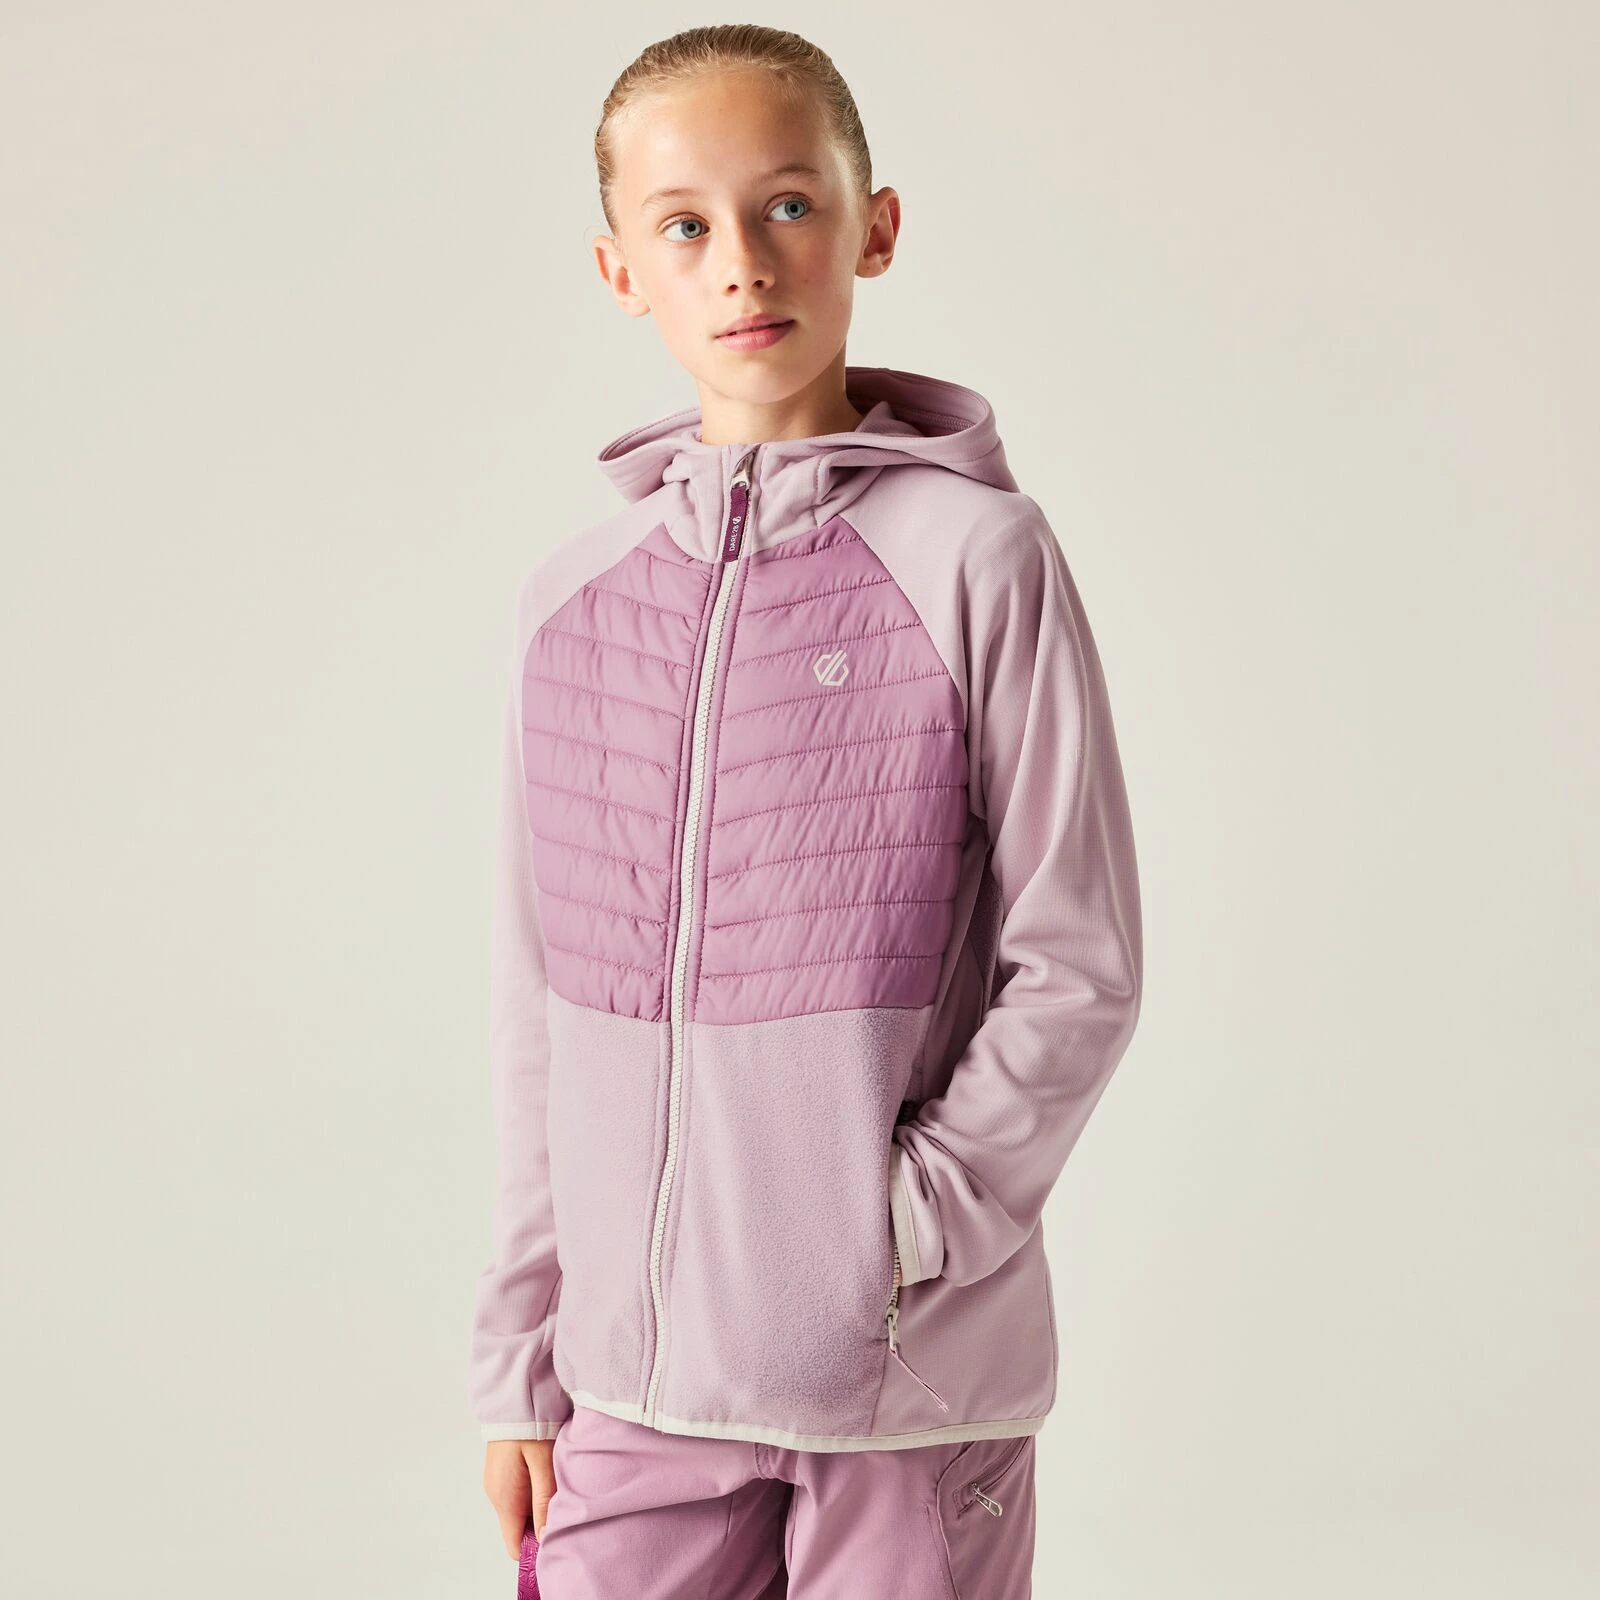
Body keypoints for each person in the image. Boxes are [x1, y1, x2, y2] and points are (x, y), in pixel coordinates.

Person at [469, 23, 1144, 1599]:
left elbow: (1080, 962)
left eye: (788, 204)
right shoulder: (571, 605)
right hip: (629, 1389)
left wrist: (895, 1232)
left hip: (901, 1386)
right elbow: (537, 1013)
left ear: (873, 225)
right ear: (620, 270)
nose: (742, 262)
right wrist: (518, 1359)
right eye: (683, 225)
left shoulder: (979, 558)